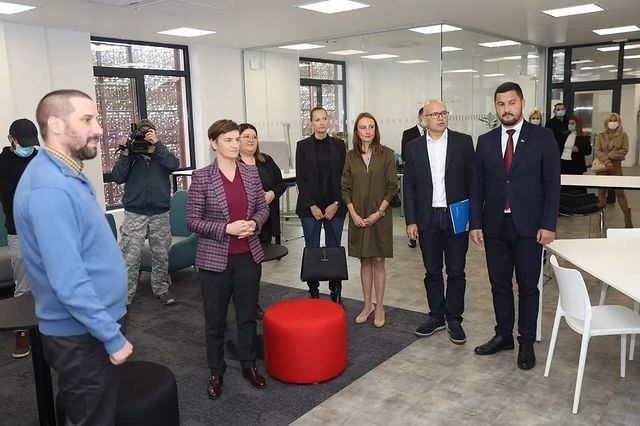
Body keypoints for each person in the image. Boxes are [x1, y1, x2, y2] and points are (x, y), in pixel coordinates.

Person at [13, 89, 133, 424]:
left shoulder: (67, 173)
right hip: (83, 334)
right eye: (87, 119)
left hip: (90, 326)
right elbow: (67, 280)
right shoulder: (49, 187)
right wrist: (111, 336)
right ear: (55, 124)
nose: (99, 129)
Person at [470, 82, 560, 371]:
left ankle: (526, 342)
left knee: (528, 287)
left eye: (511, 103)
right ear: (495, 107)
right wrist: (475, 223)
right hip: (495, 225)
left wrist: (548, 224)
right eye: (501, 104)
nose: (506, 109)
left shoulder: (543, 137)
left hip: (530, 227)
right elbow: (477, 186)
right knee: (499, 285)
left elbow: (552, 184)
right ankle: (504, 335)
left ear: (522, 103)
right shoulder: (485, 141)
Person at [186, 119, 269, 400]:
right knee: (215, 321)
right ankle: (216, 372)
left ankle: (249, 365)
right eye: (229, 140)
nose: (236, 144)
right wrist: (226, 228)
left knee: (247, 317)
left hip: (248, 257)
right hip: (214, 262)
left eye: (237, 139)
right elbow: (192, 221)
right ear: (214, 144)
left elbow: (262, 208)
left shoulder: (250, 174)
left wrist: (254, 223)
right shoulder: (202, 177)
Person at [403, 100, 475, 344]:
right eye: (435, 114)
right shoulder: (413, 147)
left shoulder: (463, 142)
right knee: (432, 271)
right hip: (428, 218)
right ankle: (436, 316)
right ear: (424, 118)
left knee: (456, 271)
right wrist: (411, 220)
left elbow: (473, 182)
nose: (441, 117)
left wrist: (472, 217)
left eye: (444, 113)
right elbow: (409, 186)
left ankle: (454, 318)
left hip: (457, 217)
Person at [112, 118, 180, 305]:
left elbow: (174, 165)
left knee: (161, 256)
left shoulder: (162, 155)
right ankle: (125, 296)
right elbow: (117, 177)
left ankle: (161, 289)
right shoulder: (131, 156)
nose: (145, 138)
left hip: (160, 213)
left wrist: (158, 145)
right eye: (142, 134)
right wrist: (125, 154)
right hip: (135, 214)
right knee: (130, 258)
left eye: (149, 134)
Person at [342, 112, 398, 327]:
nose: (367, 131)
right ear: (357, 132)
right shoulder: (350, 156)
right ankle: (367, 305)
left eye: (371, 127)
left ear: (376, 129)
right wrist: (353, 214)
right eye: (363, 127)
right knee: (364, 260)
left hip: (380, 216)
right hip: (358, 217)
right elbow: (345, 188)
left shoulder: (387, 154)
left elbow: (392, 187)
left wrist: (379, 212)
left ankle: (380, 306)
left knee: (379, 261)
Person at [296, 106, 347, 302]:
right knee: (313, 248)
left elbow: (344, 177)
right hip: (310, 208)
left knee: (334, 248)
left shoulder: (339, 145)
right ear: (311, 123)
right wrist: (312, 205)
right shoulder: (302, 146)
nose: (322, 122)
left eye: (324, 118)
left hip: (335, 205)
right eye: (317, 119)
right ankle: (314, 290)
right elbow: (301, 179)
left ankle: (336, 289)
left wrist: (336, 203)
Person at [0, 118, 39, 358]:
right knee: (23, 285)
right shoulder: (2, 164)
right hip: (19, 233)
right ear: (11, 140)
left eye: (31, 144)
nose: (28, 148)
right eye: (23, 144)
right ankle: (23, 332)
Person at [238, 123, 286, 244]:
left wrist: (271, 194)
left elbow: (281, 184)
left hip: (266, 218)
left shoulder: (266, 160)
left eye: (254, 137)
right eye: (247, 137)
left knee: (264, 251)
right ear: (237, 140)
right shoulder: (232, 164)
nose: (251, 140)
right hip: (243, 221)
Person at [594, 112, 633, 228]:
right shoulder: (601, 135)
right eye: (610, 120)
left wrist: (609, 156)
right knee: (601, 192)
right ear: (606, 122)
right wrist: (606, 161)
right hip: (602, 165)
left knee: (620, 192)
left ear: (618, 122)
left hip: (616, 165)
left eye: (615, 120)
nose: (612, 122)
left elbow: (624, 150)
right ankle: (601, 219)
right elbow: (597, 150)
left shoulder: (623, 135)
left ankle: (627, 219)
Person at [401, 107, 428, 248]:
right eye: (425, 115)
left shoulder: (435, 133)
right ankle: (412, 237)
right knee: (414, 206)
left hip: (429, 180)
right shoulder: (408, 133)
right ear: (419, 117)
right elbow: (405, 154)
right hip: (415, 176)